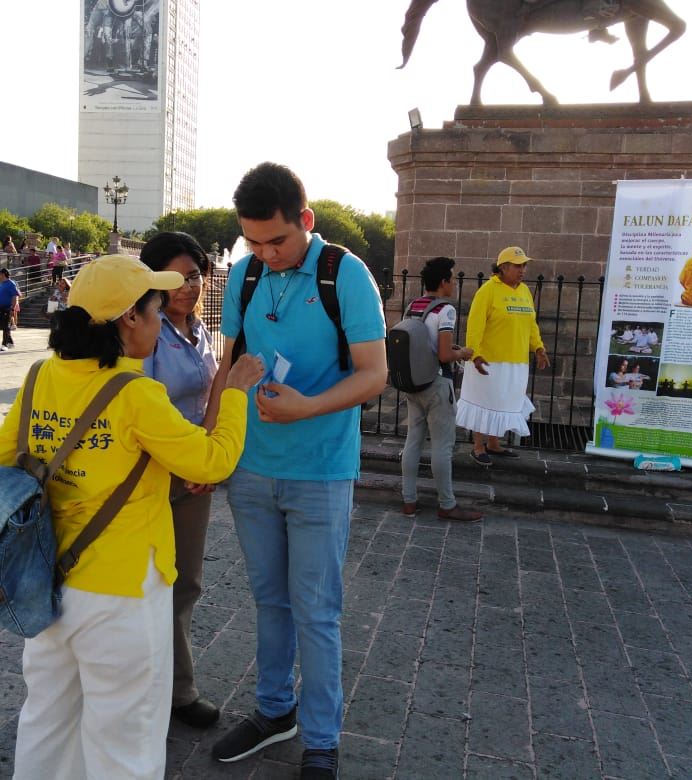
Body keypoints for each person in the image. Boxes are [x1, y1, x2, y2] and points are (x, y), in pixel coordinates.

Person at [0, 253, 263, 779]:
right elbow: (211, 461)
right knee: (126, 737)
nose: (161, 321)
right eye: (155, 310)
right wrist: (234, 394)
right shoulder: (135, 394)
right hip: (121, 590)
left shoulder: (41, 376)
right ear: (129, 318)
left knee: (48, 721)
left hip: (45, 579)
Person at [206, 162, 387, 779]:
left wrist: (308, 406)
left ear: (305, 220)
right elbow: (226, 366)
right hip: (252, 467)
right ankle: (273, 709)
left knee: (316, 608)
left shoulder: (345, 275)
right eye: (252, 242)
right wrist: (212, 445)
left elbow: (374, 374)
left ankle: (322, 740)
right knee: (270, 600)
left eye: (276, 240)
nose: (265, 253)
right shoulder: (245, 274)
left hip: (320, 471)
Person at [139, 231, 222, 728]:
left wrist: (205, 458)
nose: (188, 287)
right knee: (149, 582)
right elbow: (145, 406)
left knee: (185, 583)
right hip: (152, 474)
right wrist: (188, 460)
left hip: (193, 475)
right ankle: (150, 689)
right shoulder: (146, 331)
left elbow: (211, 397)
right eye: (175, 279)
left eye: (194, 276)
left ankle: (176, 689)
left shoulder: (200, 330)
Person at [399, 257, 482, 522]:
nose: (454, 284)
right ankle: (447, 504)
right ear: (444, 282)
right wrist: (464, 353)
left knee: (413, 441)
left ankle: (409, 500)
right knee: (442, 447)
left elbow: (424, 344)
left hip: (414, 383)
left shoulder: (413, 306)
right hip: (436, 383)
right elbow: (444, 355)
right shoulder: (446, 310)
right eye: (453, 279)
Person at [456, 246, 550, 465]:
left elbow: (531, 324)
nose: (522, 270)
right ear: (503, 267)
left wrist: (538, 348)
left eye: (524, 265)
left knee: (503, 402)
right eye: (517, 266)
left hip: (517, 361)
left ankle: (494, 443)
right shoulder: (488, 291)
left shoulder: (524, 291)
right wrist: (475, 355)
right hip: (489, 361)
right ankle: (478, 447)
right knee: (484, 400)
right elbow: (475, 327)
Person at [0, 268, 20, 351]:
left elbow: (15, 296)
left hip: (6, 307)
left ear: (3, 274)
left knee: (6, 326)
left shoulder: (11, 284)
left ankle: (5, 344)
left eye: (0, 274)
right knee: (0, 324)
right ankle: (10, 342)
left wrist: (12, 308)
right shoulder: (2, 284)